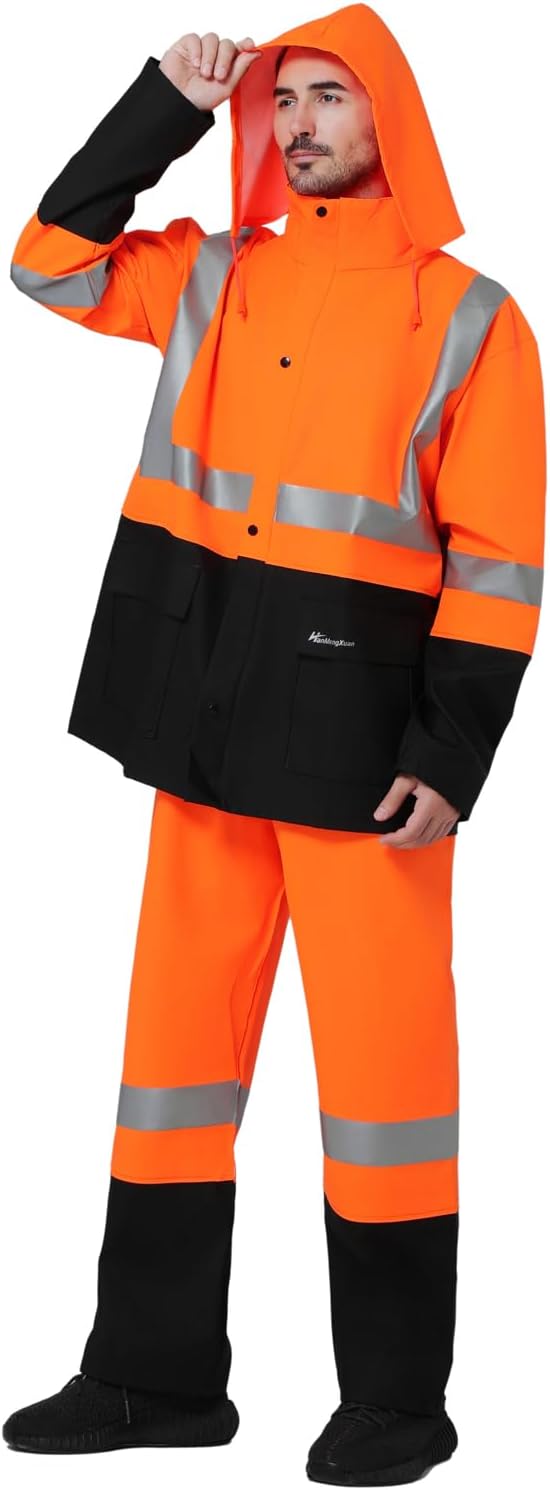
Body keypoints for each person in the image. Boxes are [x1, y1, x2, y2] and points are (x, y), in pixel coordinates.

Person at [4, 3, 545, 1483]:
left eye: (330, 98)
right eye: (283, 100)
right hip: (202, 718)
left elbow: (501, 557)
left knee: (384, 1077)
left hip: (366, 753)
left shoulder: (470, 317)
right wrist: (161, 105)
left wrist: (450, 750)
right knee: (169, 1062)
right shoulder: (211, 272)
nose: (298, 122)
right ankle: (152, 1377)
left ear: (392, 121)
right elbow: (44, 262)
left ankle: (397, 1400)